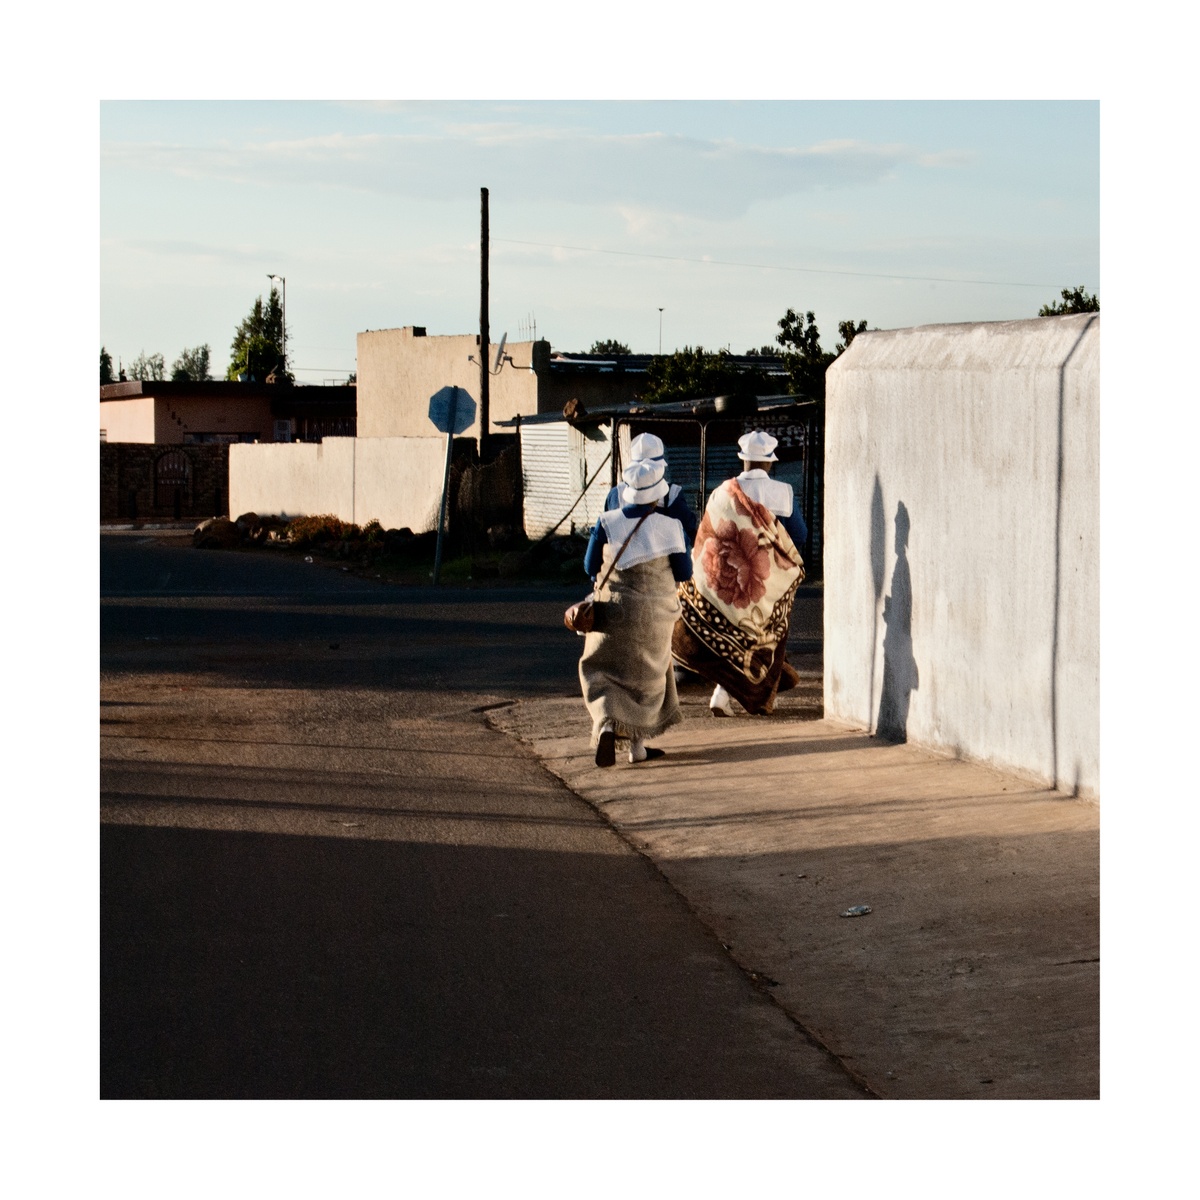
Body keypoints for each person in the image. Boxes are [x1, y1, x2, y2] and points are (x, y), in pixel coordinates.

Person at [672, 429, 807, 717]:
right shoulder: (782, 492)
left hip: (725, 585)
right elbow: (799, 534)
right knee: (766, 640)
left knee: (727, 643)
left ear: (743, 460)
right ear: (770, 463)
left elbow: (706, 537)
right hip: (764, 585)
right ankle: (760, 698)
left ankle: (721, 694)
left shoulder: (722, 492)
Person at [579, 457, 693, 767]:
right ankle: (637, 748)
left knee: (604, 672)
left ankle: (605, 724)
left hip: (612, 613)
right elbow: (684, 572)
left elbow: (590, 567)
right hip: (656, 615)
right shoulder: (672, 527)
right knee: (647, 679)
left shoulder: (606, 522)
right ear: (657, 494)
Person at [605, 431, 699, 545]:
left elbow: (608, 531)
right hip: (663, 557)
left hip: (623, 559)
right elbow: (688, 528)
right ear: (660, 467)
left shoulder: (615, 494)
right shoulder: (672, 494)